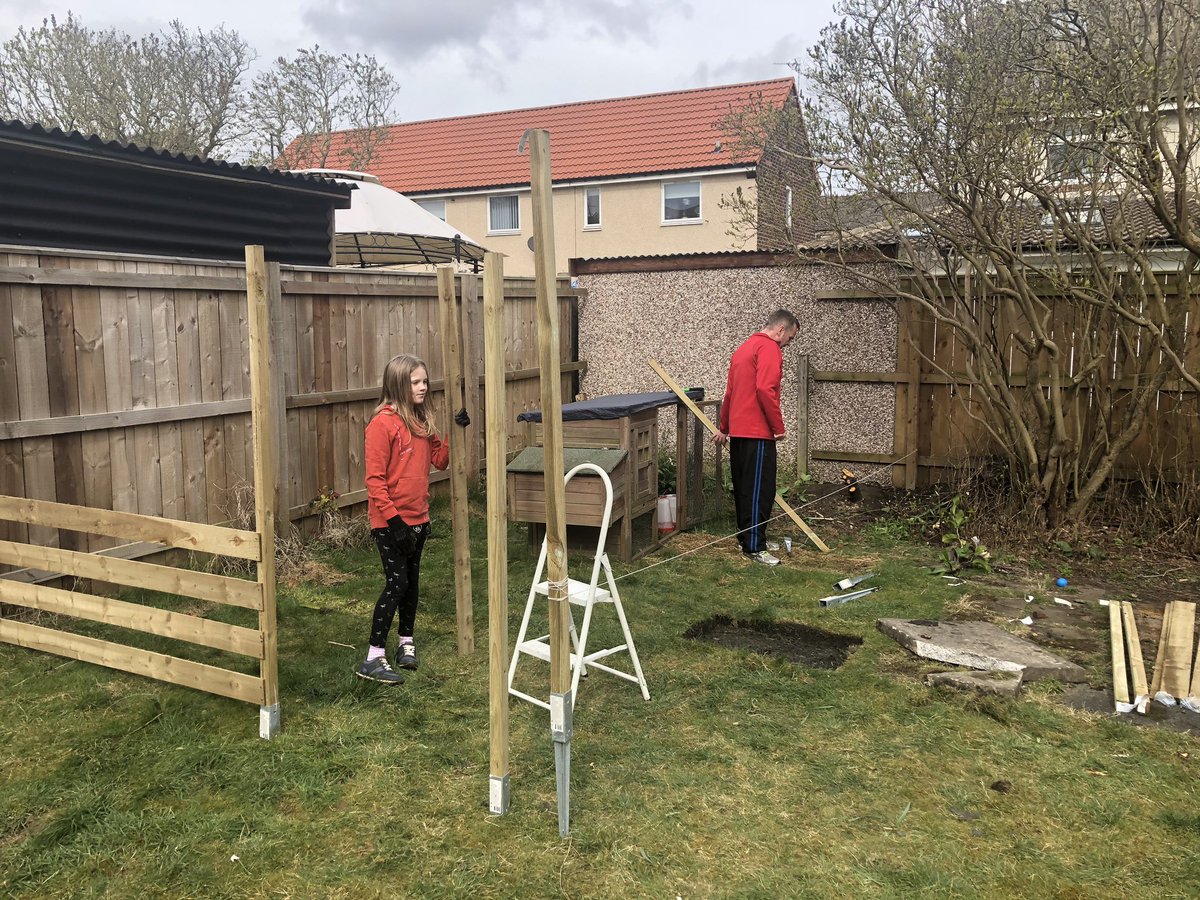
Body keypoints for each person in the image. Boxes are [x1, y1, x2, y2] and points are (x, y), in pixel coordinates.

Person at [356, 354, 450, 684]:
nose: (423, 387)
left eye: (425, 381)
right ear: (399, 385)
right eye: (416, 382)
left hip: (419, 518)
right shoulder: (381, 425)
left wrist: (456, 431)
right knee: (397, 584)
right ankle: (373, 657)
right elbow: (375, 481)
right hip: (390, 522)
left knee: (412, 584)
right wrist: (395, 522)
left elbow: (440, 461)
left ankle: (405, 644)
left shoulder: (422, 423)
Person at [712, 309, 799, 566]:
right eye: (790, 338)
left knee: (744, 488)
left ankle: (750, 537)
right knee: (760, 490)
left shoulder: (743, 348)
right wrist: (777, 427)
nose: (788, 344)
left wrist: (724, 427)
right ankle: (754, 547)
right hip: (758, 433)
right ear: (781, 330)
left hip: (739, 433)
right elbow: (765, 388)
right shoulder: (769, 348)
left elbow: (729, 394)